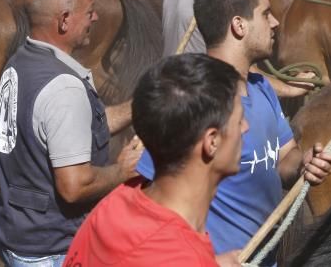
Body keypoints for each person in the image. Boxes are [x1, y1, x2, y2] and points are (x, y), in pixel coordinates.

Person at [137, 0, 331, 264]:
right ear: (239, 25)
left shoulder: (262, 88)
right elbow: (147, 199)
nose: (275, 23)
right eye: (266, 14)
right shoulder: (192, 100)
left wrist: (303, 164)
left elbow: (283, 158)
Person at [0, 0, 142, 266]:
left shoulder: (20, 62)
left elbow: (68, 131)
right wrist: (123, 171)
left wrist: (141, 105)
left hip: (17, 231)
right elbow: (75, 187)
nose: (95, 18)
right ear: (64, 20)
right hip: (51, 248)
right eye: (89, 11)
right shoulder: (63, 87)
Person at [65, 54, 246, 266]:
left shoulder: (112, 205)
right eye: (239, 121)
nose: (246, 128)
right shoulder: (182, 257)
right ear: (211, 142)